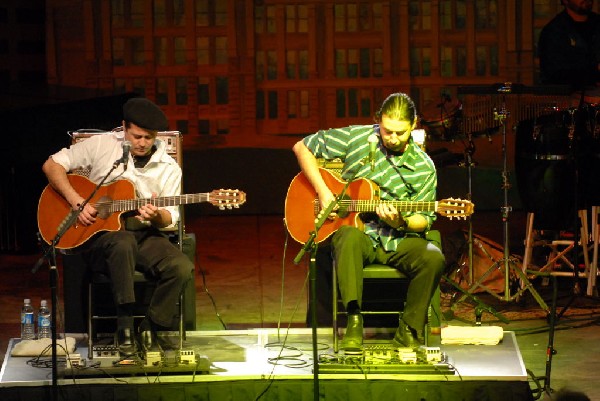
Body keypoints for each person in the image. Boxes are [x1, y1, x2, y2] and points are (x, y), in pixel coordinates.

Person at [292, 92, 446, 350]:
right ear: (378, 121)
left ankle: (408, 330)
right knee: (347, 237)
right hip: (358, 236)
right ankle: (354, 321)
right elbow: (302, 147)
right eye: (387, 131)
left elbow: (424, 219)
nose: (393, 138)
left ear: (414, 125)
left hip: (398, 240)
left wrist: (401, 222)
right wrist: (323, 191)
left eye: (401, 132)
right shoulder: (359, 138)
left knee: (433, 256)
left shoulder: (424, 167)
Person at [42, 97, 193, 355]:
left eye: (149, 137)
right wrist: (77, 201)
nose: (143, 143)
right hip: (99, 238)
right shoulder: (101, 145)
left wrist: (156, 216)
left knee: (181, 267)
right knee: (122, 243)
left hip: (143, 233)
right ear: (123, 127)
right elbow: (52, 165)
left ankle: (150, 326)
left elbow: (171, 216)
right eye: (136, 136)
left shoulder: (169, 167)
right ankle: (124, 327)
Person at [538, 0, 600, 88]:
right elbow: (554, 74)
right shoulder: (554, 31)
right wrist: (593, 71)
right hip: (569, 96)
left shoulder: (597, 24)